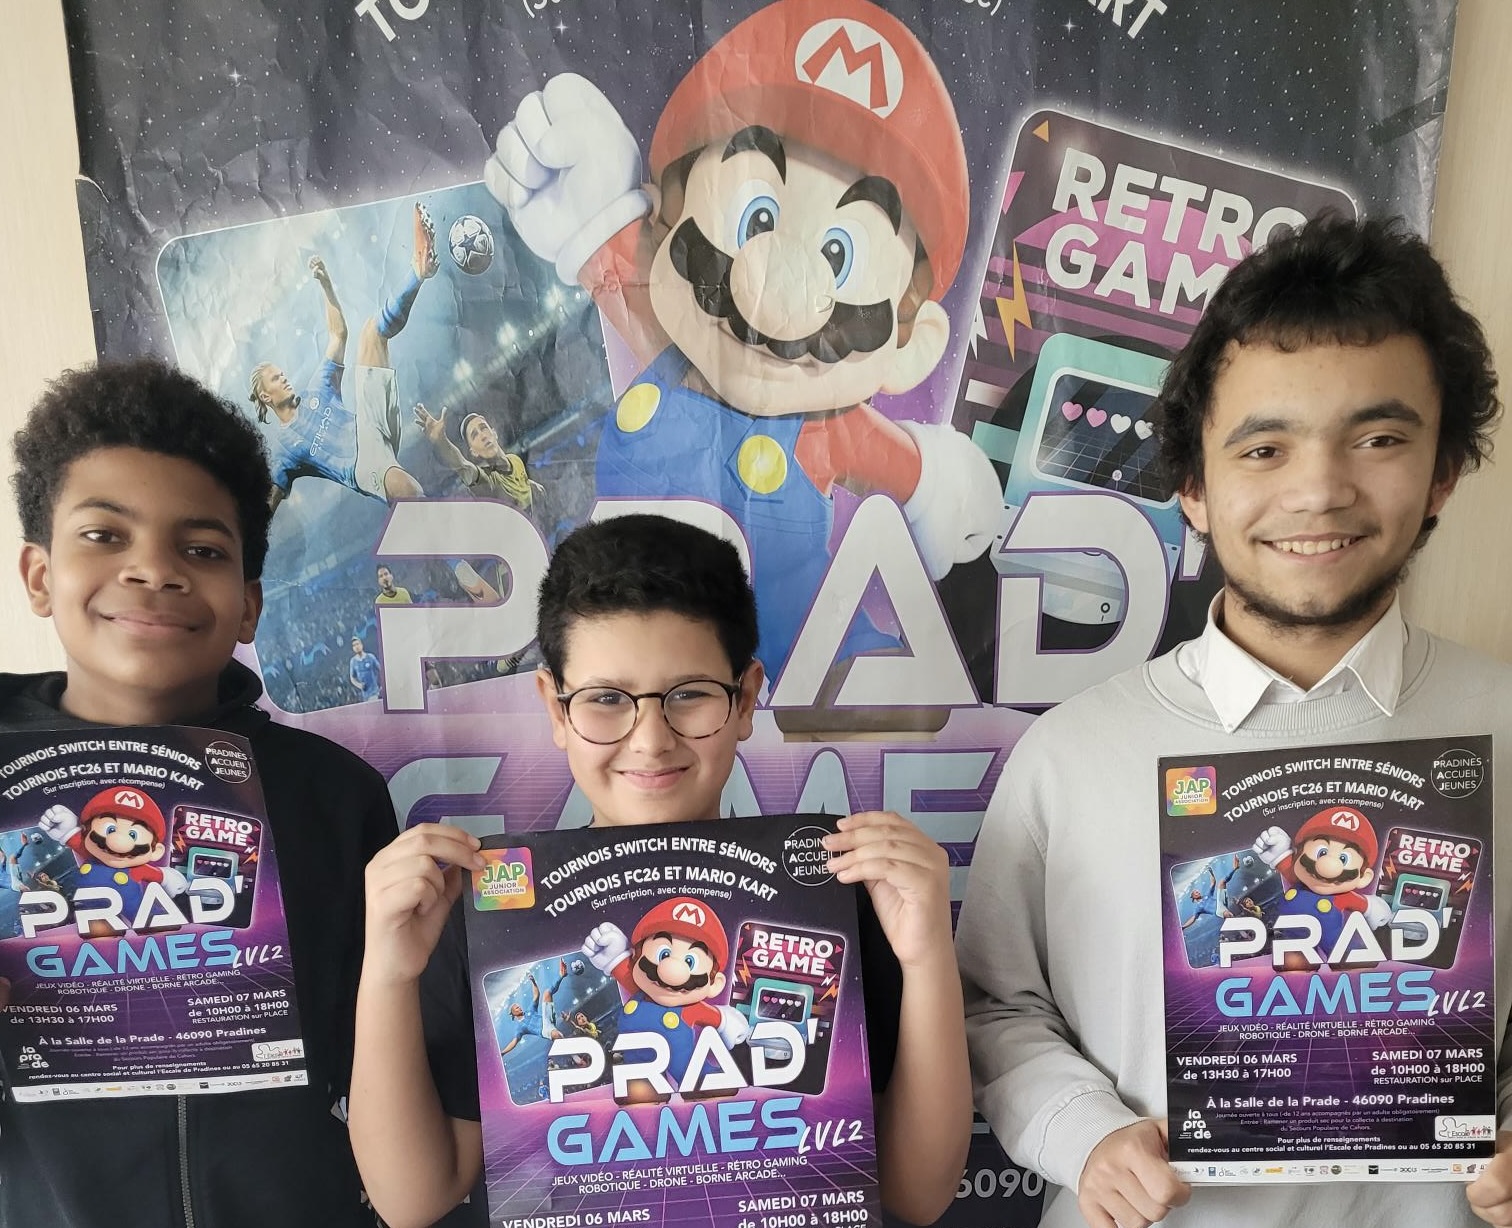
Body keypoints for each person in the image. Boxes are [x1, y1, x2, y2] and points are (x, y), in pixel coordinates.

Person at [956, 213, 1512, 1228]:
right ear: (1194, 487)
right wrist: (1083, 1132)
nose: (1319, 489)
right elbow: (991, 1005)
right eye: (1264, 447)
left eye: (1379, 439)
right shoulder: (1072, 754)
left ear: (1443, 472)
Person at [350, 513, 972, 1228]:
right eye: (606, 699)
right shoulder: (488, 916)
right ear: (555, 707)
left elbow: (918, 1192)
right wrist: (387, 972)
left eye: (690, 694)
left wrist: (927, 958)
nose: (650, 740)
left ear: (745, 700)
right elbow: (410, 1200)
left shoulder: (838, 897)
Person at [2, 357, 398, 1226]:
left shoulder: (335, 797)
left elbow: (380, 1052)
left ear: (250, 604)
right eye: (104, 535)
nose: (154, 571)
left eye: (202, 549)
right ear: (38, 576)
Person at [413, 402, 539, 509]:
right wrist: (441, 441)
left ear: (494, 433)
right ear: (473, 451)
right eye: (474, 435)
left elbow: (525, 487)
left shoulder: (515, 460)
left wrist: (536, 490)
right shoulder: (487, 481)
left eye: (483, 428)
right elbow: (462, 466)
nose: (482, 436)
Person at [348, 634, 382, 701]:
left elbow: (381, 670)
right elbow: (352, 678)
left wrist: (382, 685)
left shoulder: (370, 657)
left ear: (361, 645)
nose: (356, 647)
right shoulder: (353, 661)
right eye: (354, 645)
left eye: (357, 644)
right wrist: (359, 685)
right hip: (364, 695)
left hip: (374, 692)